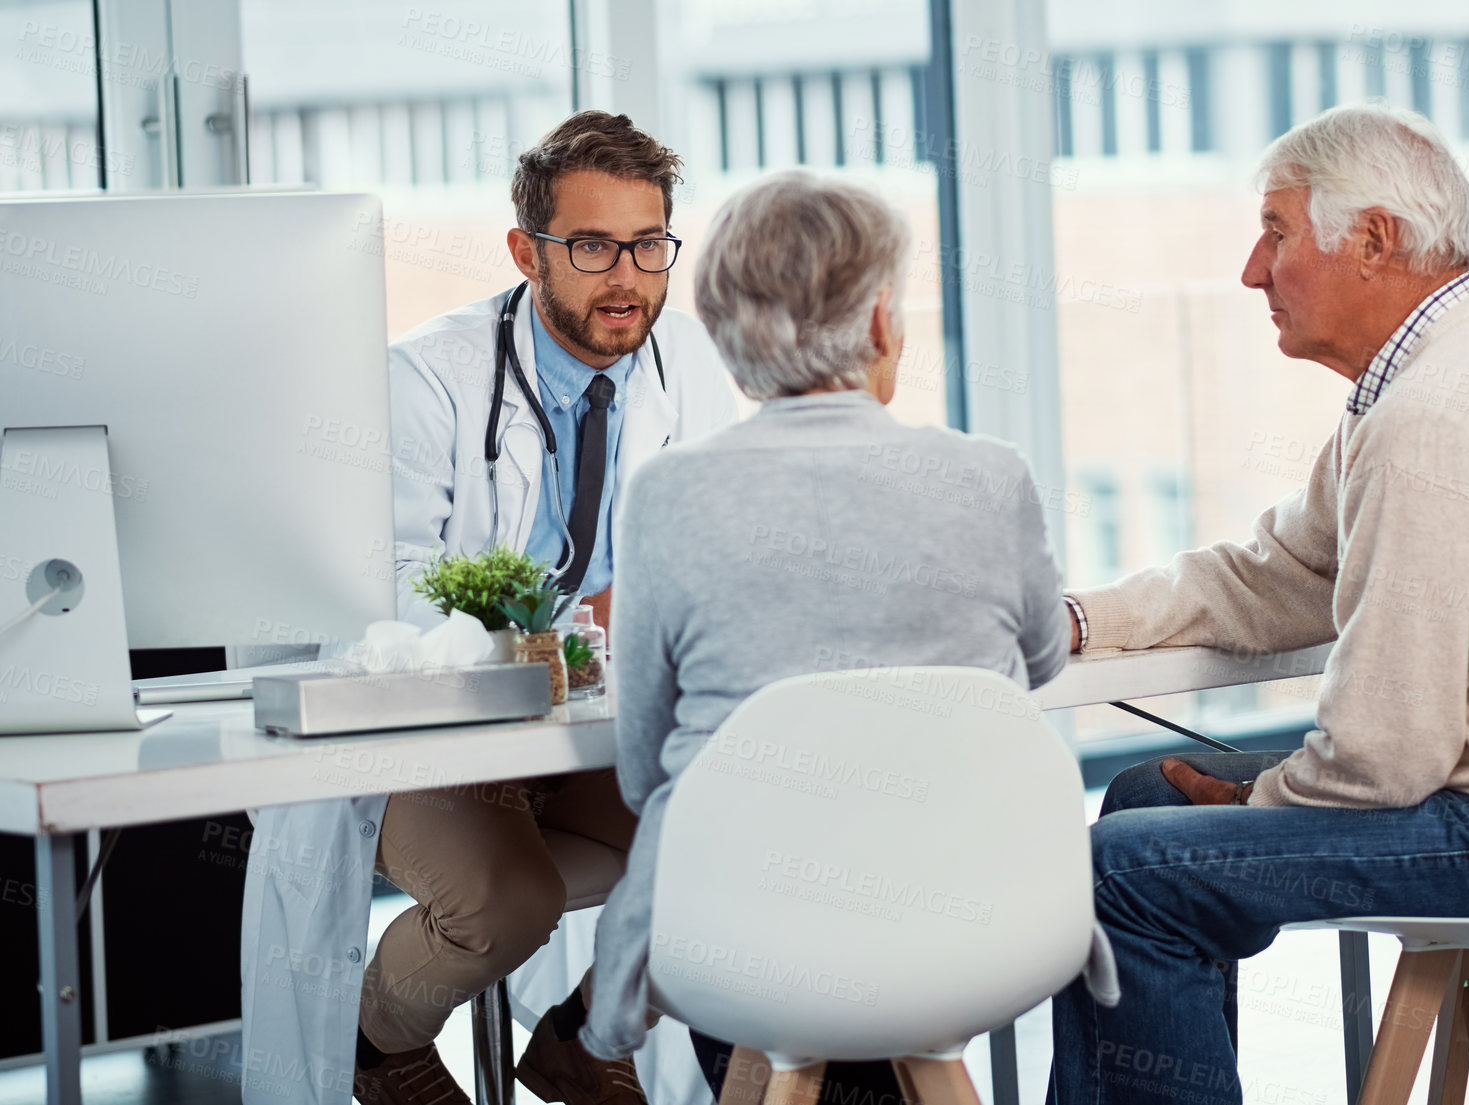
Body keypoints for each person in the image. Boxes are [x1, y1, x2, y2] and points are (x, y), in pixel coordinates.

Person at [1047, 104, 1469, 1105]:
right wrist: (1082, 623)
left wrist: (1253, 801)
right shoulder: (1431, 378)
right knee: (1145, 805)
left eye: (1275, 232)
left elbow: (1384, 756)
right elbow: (1282, 573)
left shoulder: (1435, 421)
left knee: (1124, 871)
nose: (1248, 270)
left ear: (1373, 241)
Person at [266, 111, 738, 1105]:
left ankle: (585, 1034)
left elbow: (707, 553)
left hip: (594, 729)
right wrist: (547, 632)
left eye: (650, 244)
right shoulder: (428, 378)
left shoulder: (687, 363)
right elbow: (378, 588)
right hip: (437, 734)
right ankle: (373, 1038)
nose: (628, 277)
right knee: (506, 902)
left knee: (742, 843)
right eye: (594, 246)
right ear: (528, 251)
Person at [568, 170, 1071, 1099]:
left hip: (743, 941)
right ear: (883, 321)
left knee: (771, 967)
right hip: (979, 926)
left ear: (724, 335)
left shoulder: (669, 497)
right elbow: (1038, 664)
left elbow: (641, 773)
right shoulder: (991, 477)